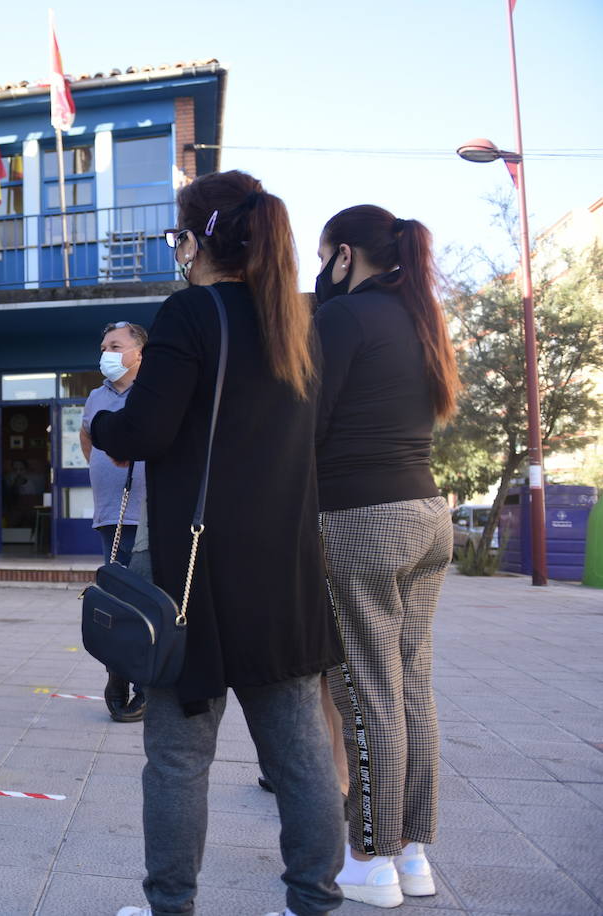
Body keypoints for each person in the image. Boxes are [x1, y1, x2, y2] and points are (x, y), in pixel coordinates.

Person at [93, 170, 345, 916]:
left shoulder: (191, 314)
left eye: (179, 236)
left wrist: (99, 426)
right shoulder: (297, 328)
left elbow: (145, 430)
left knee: (177, 759)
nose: (178, 250)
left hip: (196, 578)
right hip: (286, 576)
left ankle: (171, 907)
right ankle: (314, 902)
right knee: (300, 760)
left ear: (199, 238)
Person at [314, 205, 458, 908]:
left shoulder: (342, 319)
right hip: (428, 515)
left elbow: (308, 421)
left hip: (360, 518)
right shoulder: (419, 316)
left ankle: (371, 860)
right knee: (409, 688)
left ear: (344, 255)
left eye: (324, 255)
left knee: (365, 691)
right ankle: (413, 855)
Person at [79, 320, 150, 723]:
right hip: (111, 515)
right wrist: (100, 469)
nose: (106, 352)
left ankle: (145, 683)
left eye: (115, 345)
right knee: (117, 600)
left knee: (145, 600)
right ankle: (117, 675)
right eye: (103, 345)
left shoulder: (154, 392)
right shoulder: (95, 396)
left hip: (149, 516)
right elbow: (88, 437)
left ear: (138, 352)